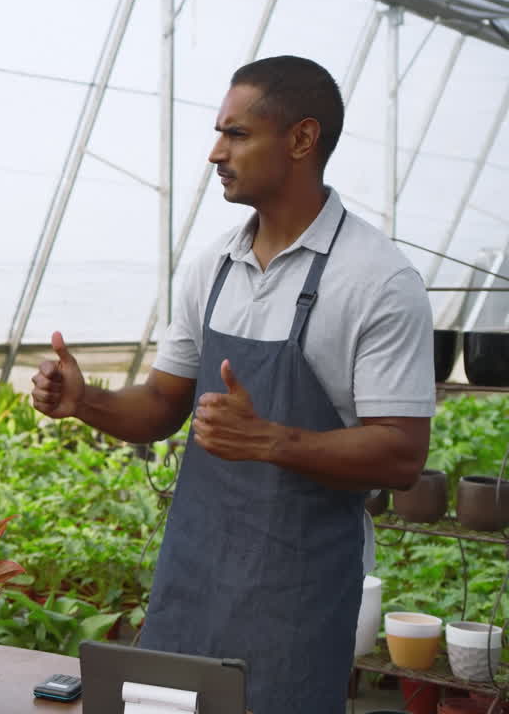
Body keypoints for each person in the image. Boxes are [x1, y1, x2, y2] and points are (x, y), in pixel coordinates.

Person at [32, 55, 434, 713]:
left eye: (238, 134)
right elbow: (164, 403)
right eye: (219, 133)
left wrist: (273, 440)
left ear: (302, 139)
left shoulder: (376, 281)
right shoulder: (212, 266)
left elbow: (401, 454)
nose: (217, 152)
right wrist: (86, 402)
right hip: (190, 584)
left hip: (297, 605)